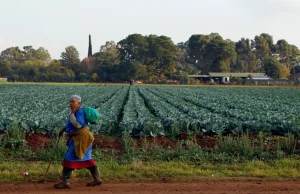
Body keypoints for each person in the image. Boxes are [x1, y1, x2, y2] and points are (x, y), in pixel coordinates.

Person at [54, 95, 102, 189]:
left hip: (81, 139)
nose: (70, 104)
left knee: (69, 158)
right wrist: (63, 129)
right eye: (70, 102)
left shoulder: (79, 112)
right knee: (86, 158)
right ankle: (97, 179)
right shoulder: (76, 112)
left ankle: (65, 182)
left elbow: (78, 125)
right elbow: (71, 124)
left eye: (73, 102)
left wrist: (72, 114)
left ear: (78, 103)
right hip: (80, 138)